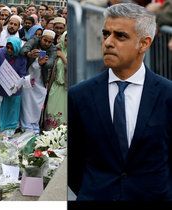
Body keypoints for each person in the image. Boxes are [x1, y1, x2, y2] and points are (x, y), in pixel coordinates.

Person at [68, 3, 172, 201]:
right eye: (106, 33)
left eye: (120, 36)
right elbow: (75, 164)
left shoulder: (167, 95)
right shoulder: (79, 96)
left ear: (144, 43)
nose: (108, 42)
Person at [0, 36, 27, 136]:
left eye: (12, 48)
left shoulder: (22, 58)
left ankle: (9, 132)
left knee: (12, 111)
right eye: (8, 47)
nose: (9, 50)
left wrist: (18, 83)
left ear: (17, 48)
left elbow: (22, 74)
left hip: (15, 89)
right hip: (1, 87)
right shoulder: (0, 53)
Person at [44, 31, 67, 130]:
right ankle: (49, 137)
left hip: (66, 89)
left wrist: (63, 57)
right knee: (51, 111)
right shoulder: (57, 49)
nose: (67, 41)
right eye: (65, 39)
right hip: (55, 86)